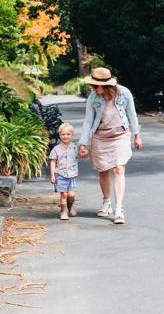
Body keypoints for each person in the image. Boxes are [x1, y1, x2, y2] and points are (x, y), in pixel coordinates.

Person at [78, 67, 142, 224]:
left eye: (98, 86)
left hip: (120, 135)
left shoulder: (124, 93)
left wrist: (136, 135)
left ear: (108, 86)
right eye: (94, 86)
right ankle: (106, 201)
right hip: (100, 136)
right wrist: (83, 143)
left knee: (119, 169)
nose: (96, 89)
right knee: (103, 171)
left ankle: (119, 208)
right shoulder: (93, 98)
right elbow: (87, 121)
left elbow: (132, 114)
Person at [49, 123, 79, 221]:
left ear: (72, 135)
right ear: (59, 135)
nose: (65, 136)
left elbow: (82, 155)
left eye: (68, 134)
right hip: (60, 175)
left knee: (71, 195)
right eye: (63, 134)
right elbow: (53, 161)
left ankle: (70, 206)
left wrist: (85, 152)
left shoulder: (75, 147)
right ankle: (63, 211)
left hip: (72, 174)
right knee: (64, 194)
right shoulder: (56, 149)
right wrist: (52, 174)